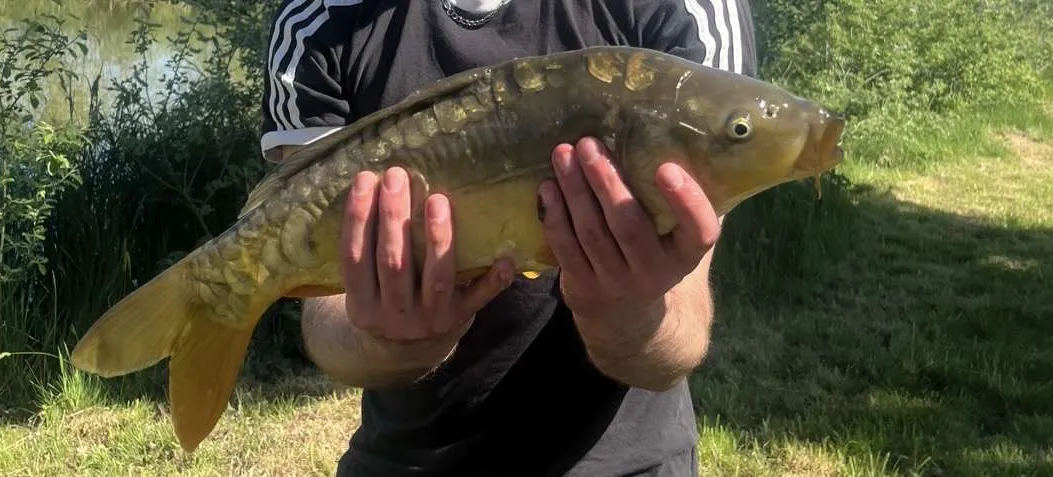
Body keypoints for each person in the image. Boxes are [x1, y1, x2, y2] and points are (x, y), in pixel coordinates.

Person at [259, 0, 757, 475]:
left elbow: (681, 333)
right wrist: (391, 342)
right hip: (408, 460)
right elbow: (327, 318)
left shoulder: (682, 10)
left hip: (625, 462)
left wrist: (627, 312)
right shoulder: (320, 19)